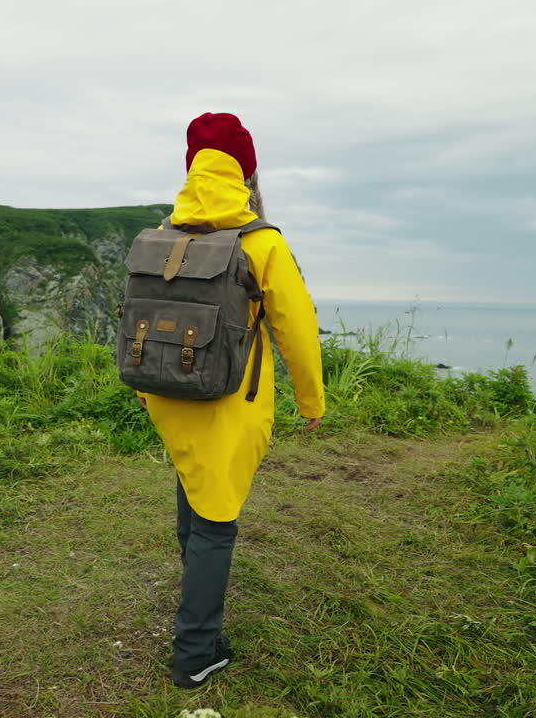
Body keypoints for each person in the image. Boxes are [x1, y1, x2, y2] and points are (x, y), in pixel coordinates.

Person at [136, 112, 326, 689]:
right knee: (218, 517)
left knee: (194, 487)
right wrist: (311, 399)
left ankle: (198, 611)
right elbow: (296, 325)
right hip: (228, 397)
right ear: (246, 172)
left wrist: (147, 389)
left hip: (165, 391)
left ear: (192, 165)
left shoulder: (164, 236)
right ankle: (196, 651)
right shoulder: (261, 241)